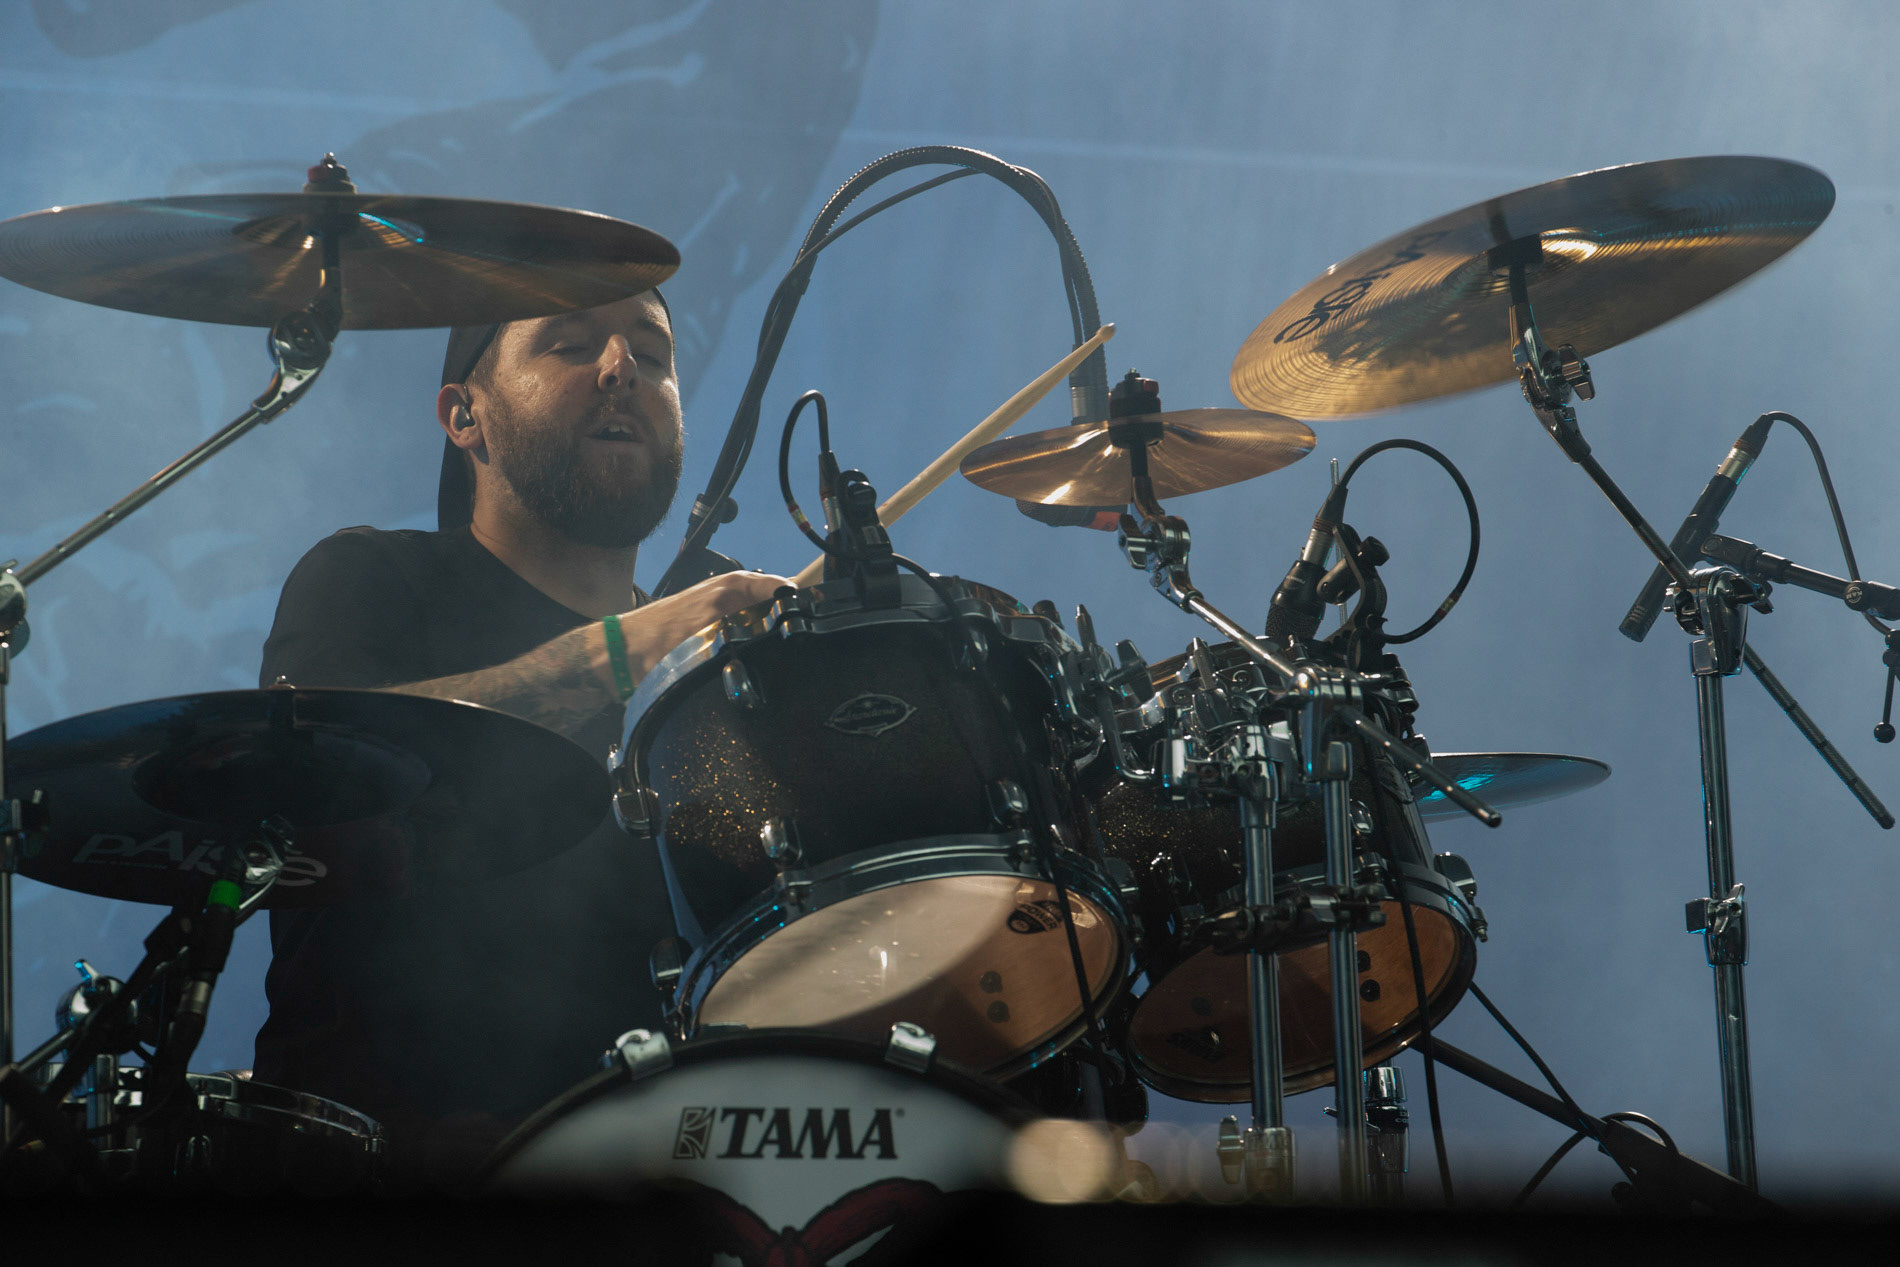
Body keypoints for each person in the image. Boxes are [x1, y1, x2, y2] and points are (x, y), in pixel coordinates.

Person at [252, 287, 786, 1184]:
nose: (622, 369)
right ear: (466, 415)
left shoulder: (710, 677)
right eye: (571, 344)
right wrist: (626, 649)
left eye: (653, 357)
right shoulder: (371, 577)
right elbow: (323, 778)